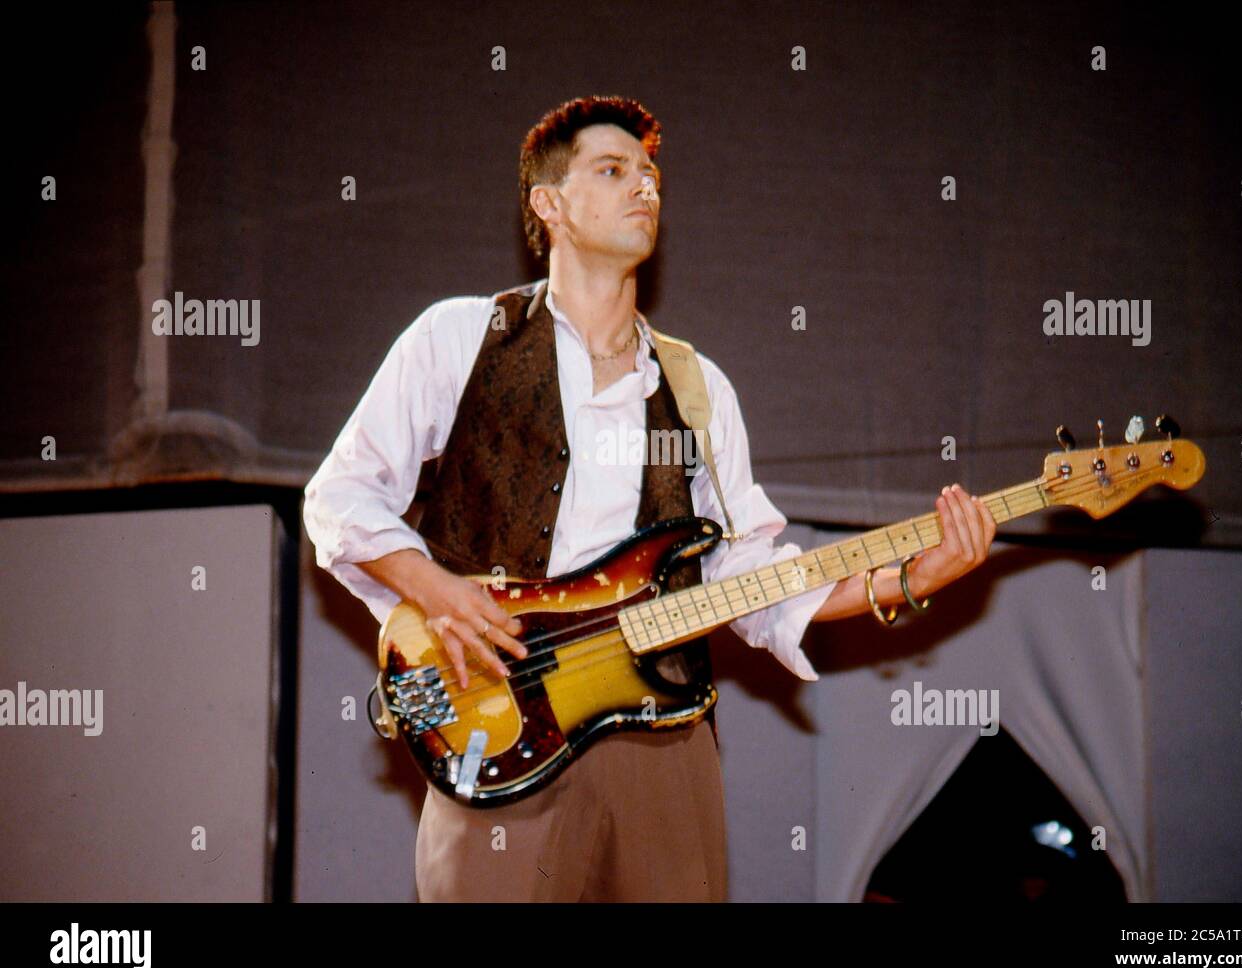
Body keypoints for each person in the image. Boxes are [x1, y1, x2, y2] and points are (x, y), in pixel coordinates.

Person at [302, 94, 996, 902]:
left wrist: (915, 575)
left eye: (652, 174)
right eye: (614, 169)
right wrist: (437, 591)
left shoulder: (699, 389)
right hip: (495, 724)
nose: (645, 188)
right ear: (549, 203)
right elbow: (340, 498)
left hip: (665, 745)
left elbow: (756, 582)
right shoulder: (459, 338)